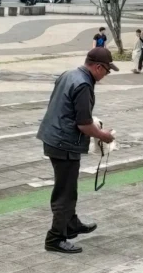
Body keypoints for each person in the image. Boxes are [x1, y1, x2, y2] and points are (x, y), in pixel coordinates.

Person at [37, 47, 117, 253]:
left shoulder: (69, 74)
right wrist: (103, 135)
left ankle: (71, 223)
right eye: (107, 71)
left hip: (53, 136)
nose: (106, 76)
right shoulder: (83, 84)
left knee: (68, 187)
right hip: (64, 142)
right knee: (65, 192)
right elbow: (84, 125)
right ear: (98, 67)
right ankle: (55, 238)